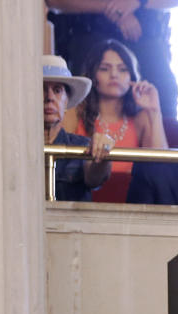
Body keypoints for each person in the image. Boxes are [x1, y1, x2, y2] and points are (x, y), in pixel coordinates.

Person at [63, 39, 167, 203]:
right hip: (80, 202)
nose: (114, 75)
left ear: (132, 77)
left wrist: (154, 110)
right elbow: (62, 169)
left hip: (134, 206)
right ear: (92, 75)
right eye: (104, 69)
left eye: (123, 69)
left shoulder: (141, 118)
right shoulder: (74, 112)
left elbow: (161, 169)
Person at [46, 0, 178, 119]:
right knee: (81, 101)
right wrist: (114, 8)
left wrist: (137, 2)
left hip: (146, 37)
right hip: (87, 34)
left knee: (164, 97)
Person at [42, 54, 112, 201]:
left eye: (57, 90)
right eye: (42, 89)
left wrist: (102, 153)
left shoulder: (81, 146)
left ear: (66, 102)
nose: (49, 97)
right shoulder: (15, 148)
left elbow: (94, 177)